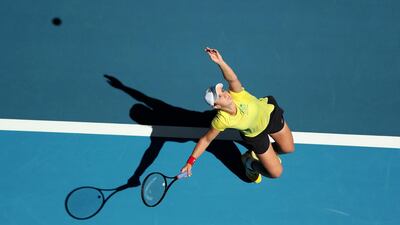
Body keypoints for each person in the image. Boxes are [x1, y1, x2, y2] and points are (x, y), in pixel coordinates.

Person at [180, 47, 295, 183]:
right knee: (276, 172)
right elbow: (206, 140)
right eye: (220, 96)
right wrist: (190, 162)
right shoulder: (222, 120)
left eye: (222, 90)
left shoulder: (236, 93)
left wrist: (220, 62)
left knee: (288, 149)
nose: (225, 94)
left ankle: (262, 155)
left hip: (269, 114)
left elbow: (232, 78)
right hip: (256, 135)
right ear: (217, 106)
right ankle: (249, 163)